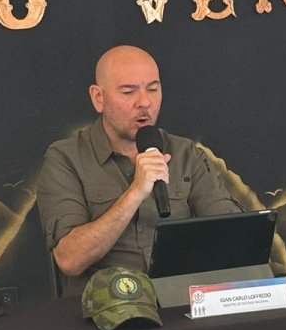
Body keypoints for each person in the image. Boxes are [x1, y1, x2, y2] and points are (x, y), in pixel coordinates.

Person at [35, 45, 242, 294]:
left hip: (181, 299)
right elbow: (70, 260)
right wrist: (135, 193)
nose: (144, 102)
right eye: (128, 91)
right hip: (108, 305)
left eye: (153, 89)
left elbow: (234, 235)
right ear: (98, 98)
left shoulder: (185, 153)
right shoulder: (66, 158)